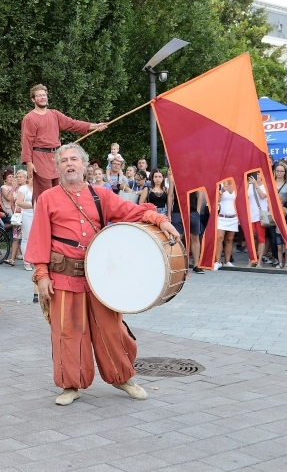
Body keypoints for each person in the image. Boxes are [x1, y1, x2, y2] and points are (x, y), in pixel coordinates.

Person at [26, 143, 179, 406]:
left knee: (111, 329)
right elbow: (39, 238)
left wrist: (160, 220)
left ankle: (122, 377)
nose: (70, 164)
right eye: (64, 161)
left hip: (100, 278)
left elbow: (133, 212)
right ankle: (70, 384)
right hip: (63, 277)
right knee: (68, 332)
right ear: (58, 167)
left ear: (85, 165)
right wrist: (41, 275)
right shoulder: (48, 198)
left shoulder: (101, 195)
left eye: (74, 159)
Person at [21, 84, 107, 204]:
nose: (42, 97)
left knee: (60, 190)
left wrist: (94, 126)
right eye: (39, 96)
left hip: (56, 157)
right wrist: (29, 163)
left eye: (44, 95)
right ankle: (44, 218)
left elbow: (73, 123)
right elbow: (26, 141)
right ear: (33, 99)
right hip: (40, 158)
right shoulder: (29, 118)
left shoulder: (54, 114)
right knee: (44, 194)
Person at [167, 169, 203, 274]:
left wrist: (198, 211)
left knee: (195, 236)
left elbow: (200, 193)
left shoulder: (195, 176)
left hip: (192, 211)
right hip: (178, 211)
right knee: (178, 237)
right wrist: (169, 213)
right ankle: (180, 264)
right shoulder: (174, 176)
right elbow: (170, 195)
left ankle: (196, 265)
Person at [213, 180, 239, 270]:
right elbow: (214, 199)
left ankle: (227, 261)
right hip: (221, 216)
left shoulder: (236, 184)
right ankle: (217, 261)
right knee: (219, 238)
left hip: (233, 217)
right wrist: (221, 191)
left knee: (229, 240)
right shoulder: (219, 184)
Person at [246, 172, 268, 268]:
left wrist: (256, 184)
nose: (258, 176)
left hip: (260, 216)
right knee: (250, 239)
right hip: (250, 215)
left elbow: (263, 196)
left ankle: (260, 261)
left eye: (260, 174)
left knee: (261, 238)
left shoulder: (266, 186)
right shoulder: (249, 186)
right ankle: (252, 259)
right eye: (256, 174)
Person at [15, 169, 35, 275]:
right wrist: (33, 206)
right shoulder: (23, 189)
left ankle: (34, 259)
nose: (33, 179)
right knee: (26, 238)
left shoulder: (37, 189)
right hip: (27, 214)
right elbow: (19, 202)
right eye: (31, 177)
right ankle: (26, 261)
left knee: (36, 238)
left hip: (36, 214)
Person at [4, 170, 24, 266]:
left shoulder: (28, 188)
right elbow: (11, 201)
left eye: (20, 177)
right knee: (16, 237)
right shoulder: (15, 190)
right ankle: (12, 259)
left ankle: (29, 258)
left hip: (27, 215)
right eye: (17, 177)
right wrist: (15, 212)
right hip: (18, 216)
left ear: (25, 178)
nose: (18, 178)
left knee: (27, 238)